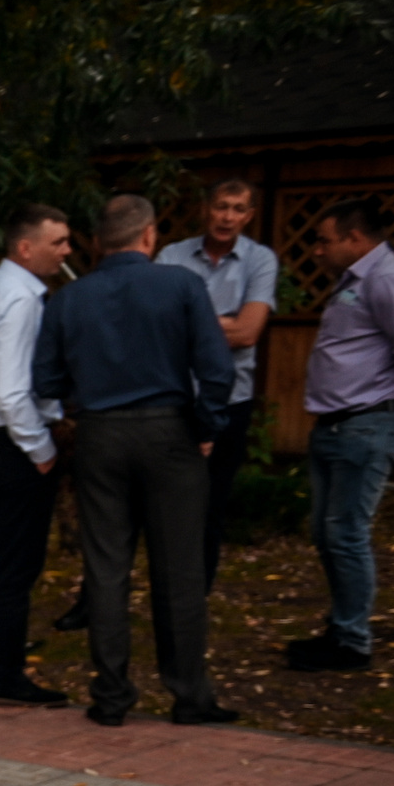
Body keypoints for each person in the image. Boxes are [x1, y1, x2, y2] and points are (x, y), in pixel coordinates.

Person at [31, 193, 238, 727]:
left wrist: (84, 399)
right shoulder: (183, 286)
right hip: (170, 432)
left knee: (105, 568)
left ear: (99, 242)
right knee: (180, 572)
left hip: (100, 434)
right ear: (149, 237)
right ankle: (189, 696)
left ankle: (112, 695)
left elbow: (45, 380)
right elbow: (217, 369)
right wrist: (207, 425)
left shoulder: (69, 300)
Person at [288, 197, 394, 673]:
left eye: (324, 240)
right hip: (338, 424)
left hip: (367, 423)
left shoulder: (387, 279)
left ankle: (353, 641)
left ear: (356, 239)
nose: (317, 250)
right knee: (326, 532)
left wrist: (388, 396)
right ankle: (340, 627)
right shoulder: (354, 281)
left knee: (346, 532)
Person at [0, 204, 73, 707]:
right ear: (26, 247)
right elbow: (11, 391)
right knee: (14, 565)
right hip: (13, 443)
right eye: (59, 242)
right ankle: (2, 673)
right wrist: (41, 449)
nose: (67, 251)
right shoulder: (21, 298)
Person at [156, 180, 280, 591]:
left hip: (230, 400)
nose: (228, 217)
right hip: (174, 399)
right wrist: (218, 323)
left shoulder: (260, 260)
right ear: (205, 209)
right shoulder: (172, 256)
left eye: (238, 209)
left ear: (249, 215)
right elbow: (156, 327)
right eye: (221, 207)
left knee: (212, 502)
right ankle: (167, 583)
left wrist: (189, 323)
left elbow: (247, 332)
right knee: (166, 500)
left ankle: (198, 591)